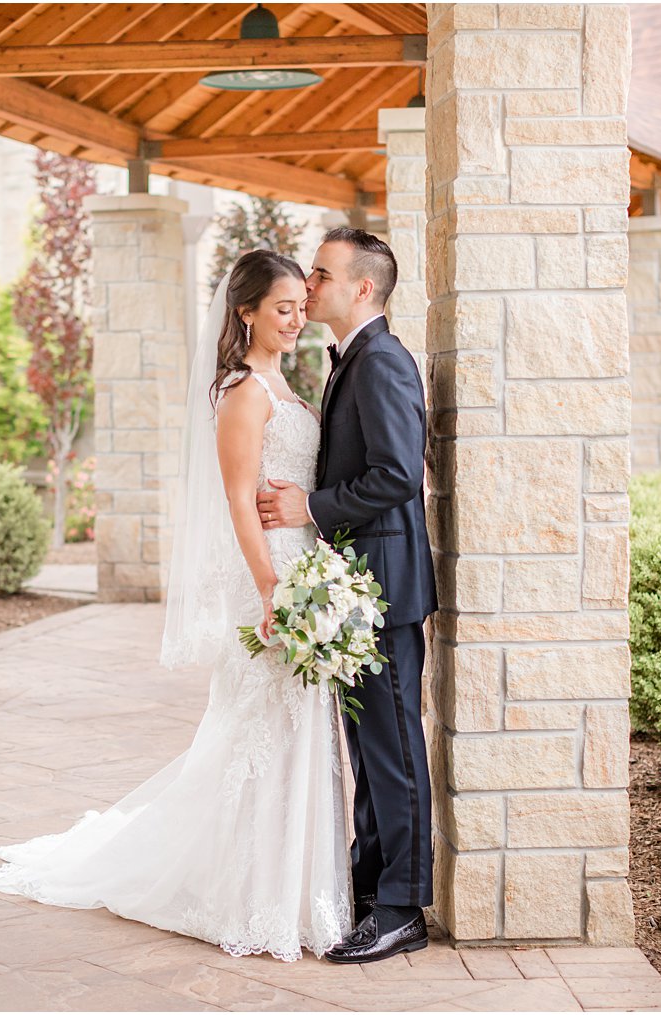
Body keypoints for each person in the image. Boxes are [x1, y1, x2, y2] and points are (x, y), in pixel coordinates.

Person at [0, 250, 351, 962]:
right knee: (260, 729)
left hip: (307, 569)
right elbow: (240, 497)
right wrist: (272, 586)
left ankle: (301, 889)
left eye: (302, 305)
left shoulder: (285, 382)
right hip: (269, 577)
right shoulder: (242, 392)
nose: (298, 319)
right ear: (246, 313)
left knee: (300, 730)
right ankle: (250, 892)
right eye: (283, 308)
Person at [257, 227, 438, 964]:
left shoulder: (382, 361)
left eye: (323, 273)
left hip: (386, 594)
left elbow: (398, 473)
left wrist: (313, 507)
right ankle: (371, 892)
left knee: (393, 753)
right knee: (370, 751)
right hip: (358, 595)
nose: (311, 282)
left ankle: (401, 910)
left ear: (362, 288)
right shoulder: (351, 360)